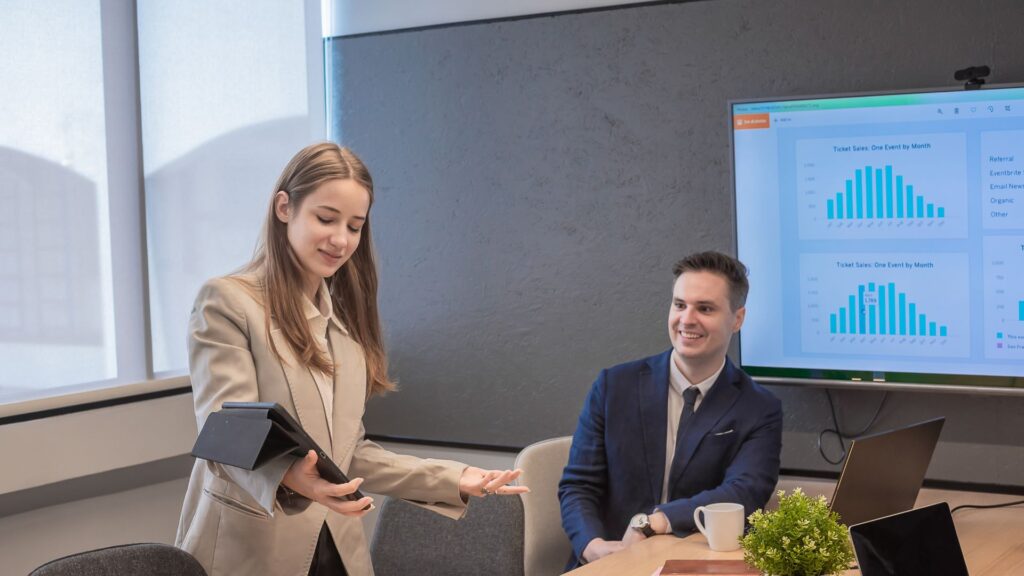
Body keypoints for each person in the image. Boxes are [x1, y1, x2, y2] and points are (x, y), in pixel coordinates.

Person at [175, 142, 527, 576]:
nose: (341, 240)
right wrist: (291, 474)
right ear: (284, 207)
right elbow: (224, 435)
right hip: (253, 550)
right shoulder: (227, 301)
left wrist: (453, 477)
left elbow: (349, 454)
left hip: (337, 547)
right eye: (326, 218)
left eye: (355, 226)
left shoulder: (343, 326)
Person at [558, 250, 782, 568]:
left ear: (738, 319)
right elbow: (579, 485)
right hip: (610, 562)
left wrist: (657, 521)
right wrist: (593, 547)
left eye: (705, 308)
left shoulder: (759, 407)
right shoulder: (614, 386)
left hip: (697, 565)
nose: (687, 319)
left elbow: (744, 492)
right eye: (680, 305)